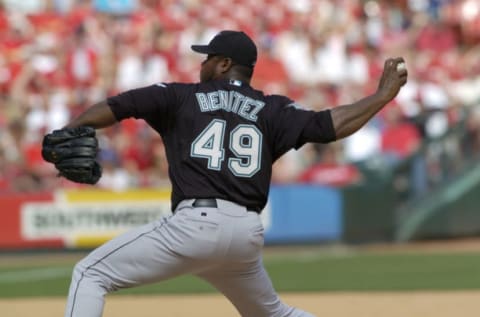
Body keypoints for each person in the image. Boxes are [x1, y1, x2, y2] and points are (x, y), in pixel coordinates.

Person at [57, 30, 407, 317]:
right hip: (245, 233)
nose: (203, 63)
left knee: (90, 274)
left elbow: (117, 107)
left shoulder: (180, 96)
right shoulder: (275, 109)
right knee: (274, 314)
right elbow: (331, 125)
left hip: (194, 224)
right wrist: (380, 97)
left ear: (224, 64)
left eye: (208, 57)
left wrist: (71, 128)